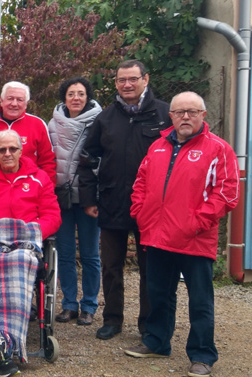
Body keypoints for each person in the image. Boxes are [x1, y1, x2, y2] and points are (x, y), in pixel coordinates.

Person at [124, 92, 239, 377]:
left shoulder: (218, 149)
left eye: (191, 111)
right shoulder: (157, 147)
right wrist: (141, 212)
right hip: (157, 236)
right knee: (159, 294)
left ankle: (202, 355)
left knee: (200, 300)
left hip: (194, 238)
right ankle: (156, 342)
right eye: (179, 112)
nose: (185, 117)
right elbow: (140, 183)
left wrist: (197, 222)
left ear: (203, 114)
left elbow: (227, 192)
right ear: (171, 116)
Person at [78, 59, 172, 340]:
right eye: (121, 80)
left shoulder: (165, 115)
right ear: (116, 83)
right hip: (112, 202)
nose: (127, 85)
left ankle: (148, 323)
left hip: (153, 208)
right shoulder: (105, 118)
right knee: (111, 266)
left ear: (146, 79)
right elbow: (88, 160)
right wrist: (88, 199)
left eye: (132, 79)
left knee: (150, 267)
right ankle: (112, 319)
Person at [0, 129, 61, 377]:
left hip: (26, 247)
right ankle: (5, 344)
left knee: (18, 260)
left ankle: (0, 339)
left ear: (21, 150)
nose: (7, 153)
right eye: (2, 150)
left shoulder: (39, 178)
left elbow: (53, 216)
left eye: (12, 149)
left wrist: (26, 231)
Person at [48, 77, 103, 326]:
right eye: (71, 94)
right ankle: (69, 303)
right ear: (64, 97)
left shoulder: (99, 123)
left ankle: (89, 305)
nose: (76, 98)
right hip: (61, 196)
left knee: (91, 254)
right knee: (66, 253)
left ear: (87, 96)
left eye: (81, 94)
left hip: (89, 197)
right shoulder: (53, 124)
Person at [0, 81, 56, 183]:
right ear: (1, 100)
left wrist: (46, 189)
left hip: (28, 188)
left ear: (26, 104)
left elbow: (48, 162)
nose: (14, 104)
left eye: (19, 100)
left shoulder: (37, 124)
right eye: (10, 99)